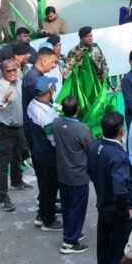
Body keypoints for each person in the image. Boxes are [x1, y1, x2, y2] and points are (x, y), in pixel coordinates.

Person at [88, 111, 132, 264]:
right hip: (116, 213)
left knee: (104, 253)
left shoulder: (95, 147)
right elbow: (120, 190)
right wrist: (125, 211)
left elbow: (91, 173)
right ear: (121, 130)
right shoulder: (118, 156)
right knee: (116, 257)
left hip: (103, 208)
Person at [52, 96, 93, 254]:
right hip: (78, 175)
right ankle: (69, 242)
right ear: (78, 109)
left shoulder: (56, 123)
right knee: (77, 208)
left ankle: (69, 231)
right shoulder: (83, 130)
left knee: (67, 206)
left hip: (63, 173)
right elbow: (90, 149)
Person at [0, 58, 30, 212]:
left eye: (14, 69)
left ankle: (17, 180)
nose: (13, 73)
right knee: (2, 164)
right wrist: (4, 100)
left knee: (18, 156)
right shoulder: (0, 87)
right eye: (9, 71)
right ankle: (2, 196)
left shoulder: (19, 82)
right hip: (5, 130)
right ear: (2, 72)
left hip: (20, 128)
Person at [26, 75, 62, 228]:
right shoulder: (46, 114)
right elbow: (53, 139)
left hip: (39, 151)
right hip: (49, 155)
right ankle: (47, 219)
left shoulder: (32, 104)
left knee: (45, 184)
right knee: (50, 186)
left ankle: (45, 210)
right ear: (50, 91)